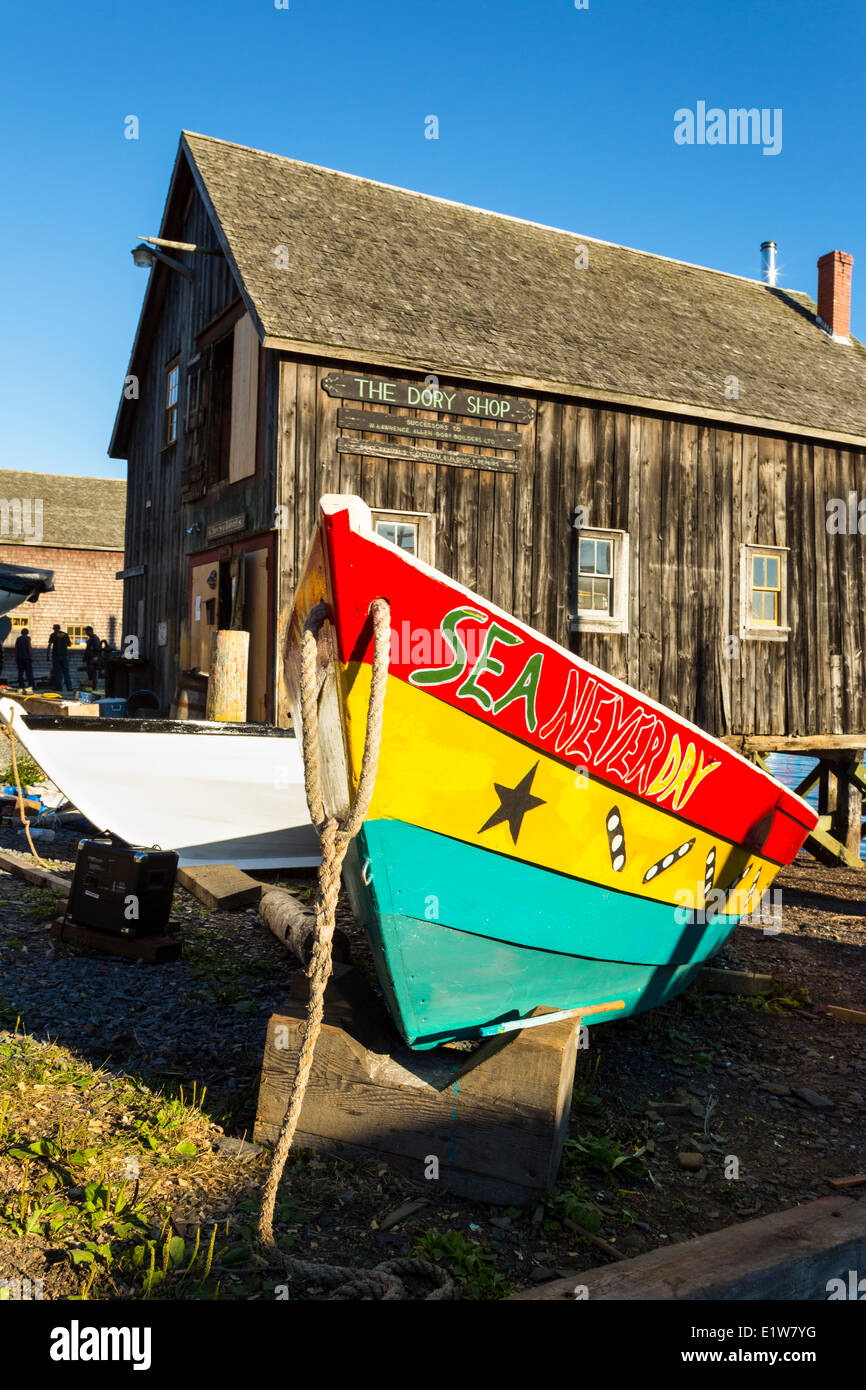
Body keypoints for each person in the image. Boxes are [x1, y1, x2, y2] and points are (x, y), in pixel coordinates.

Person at [47, 624, 73, 692]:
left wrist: (47, 655)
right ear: (59, 628)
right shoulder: (65, 634)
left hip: (56, 655)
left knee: (57, 672)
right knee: (66, 672)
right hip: (65, 655)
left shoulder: (53, 635)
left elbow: (49, 645)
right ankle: (69, 687)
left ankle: (59, 687)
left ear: (54, 629)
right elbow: (69, 644)